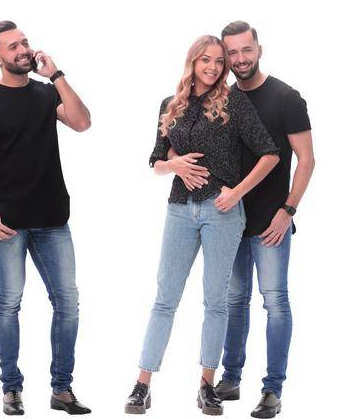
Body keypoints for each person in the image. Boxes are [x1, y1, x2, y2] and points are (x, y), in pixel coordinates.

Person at [124, 35, 279, 416]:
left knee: (215, 302)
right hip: (180, 210)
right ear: (192, 61)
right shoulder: (170, 105)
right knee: (165, 300)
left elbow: (270, 154)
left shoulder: (233, 102)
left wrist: (237, 192)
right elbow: (155, 161)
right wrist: (172, 165)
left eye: (218, 61)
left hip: (221, 211)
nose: (212, 67)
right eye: (205, 60)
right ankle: (142, 385)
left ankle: (207, 386)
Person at [0, 21, 94, 416]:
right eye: (13, 46)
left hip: (53, 218)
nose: (22, 49)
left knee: (68, 303)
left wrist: (56, 75)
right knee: (8, 303)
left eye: (24, 42)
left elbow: (82, 121)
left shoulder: (45, 93)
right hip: (6, 221)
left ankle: (62, 389)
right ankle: (11, 388)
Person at [211, 21, 315, 419]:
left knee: (275, 302)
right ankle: (231, 377)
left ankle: (273, 389)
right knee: (234, 301)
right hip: (230, 221)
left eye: (245, 50)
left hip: (271, 221)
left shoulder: (286, 97)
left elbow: (306, 159)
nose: (239, 59)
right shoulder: (223, 99)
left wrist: (287, 210)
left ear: (259, 49)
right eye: (231, 53)